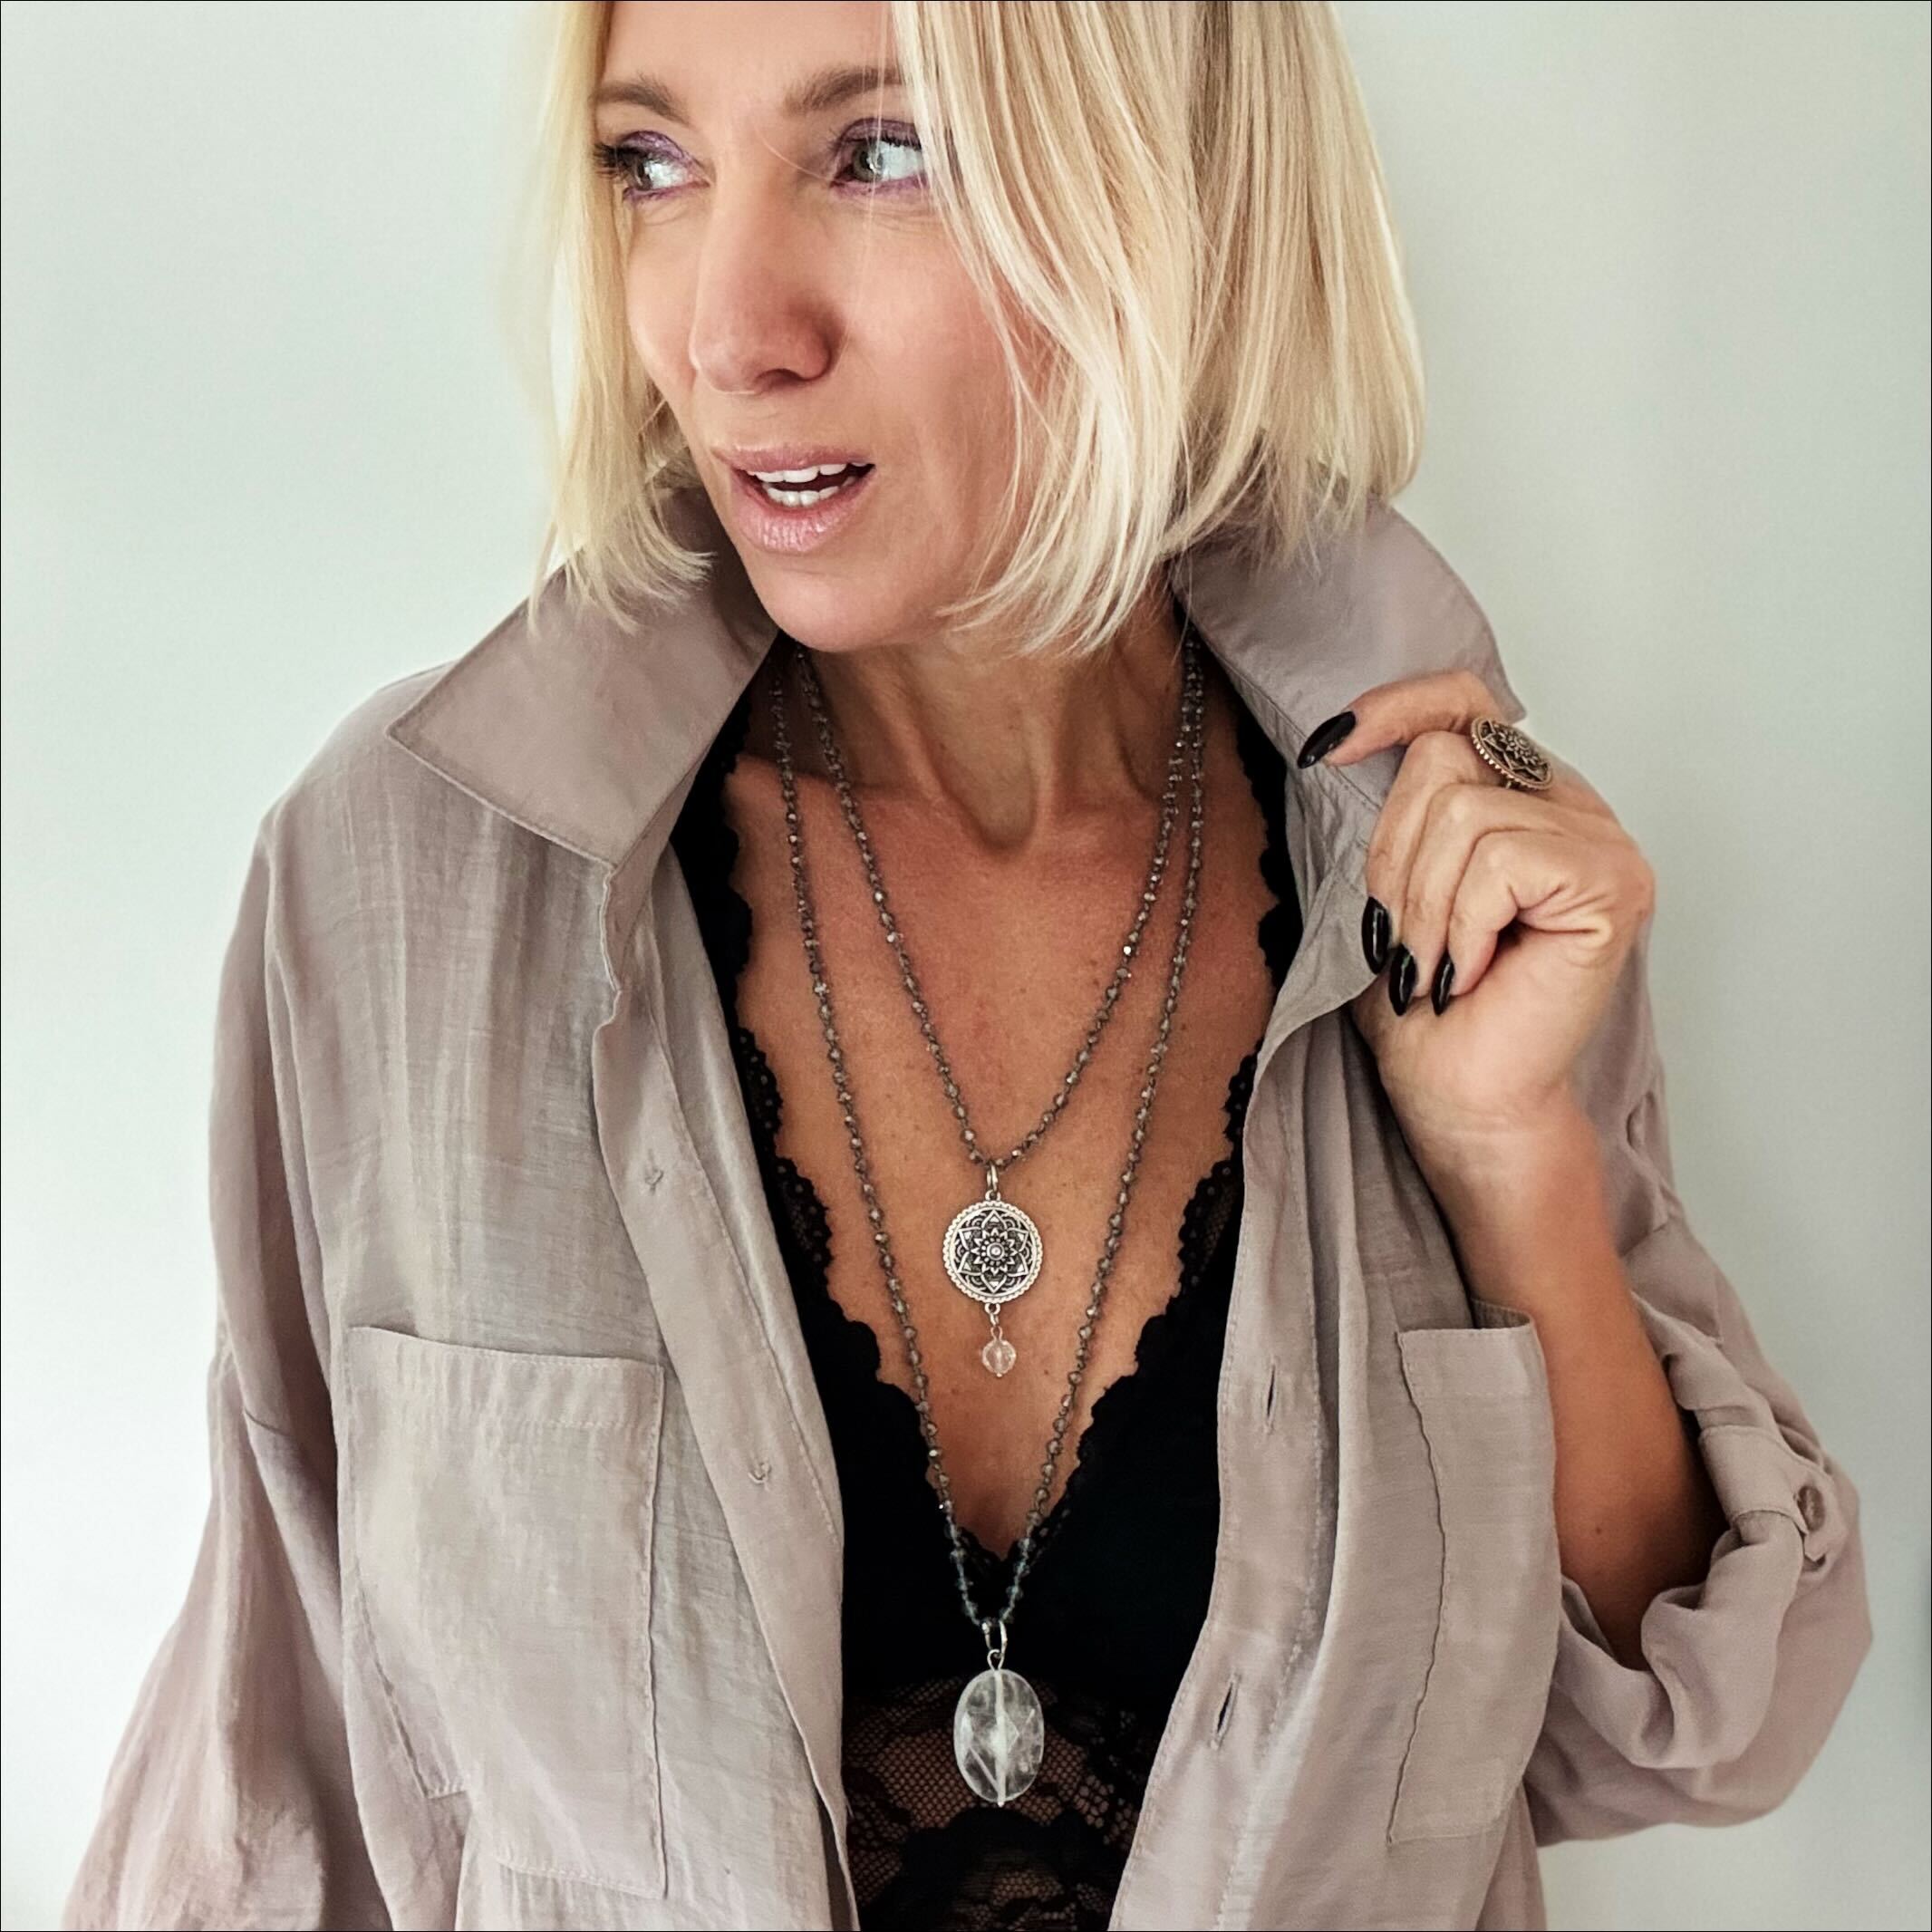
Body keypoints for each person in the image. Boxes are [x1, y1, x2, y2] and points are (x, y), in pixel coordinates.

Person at [61, 4, 1870, 1928]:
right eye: (650, 165)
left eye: (879, 153)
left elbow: (1692, 1732)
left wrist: (1512, 1163)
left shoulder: (1432, 878)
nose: (728, 331)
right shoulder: (418, 878)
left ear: (1168, 189)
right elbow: (274, 1779)